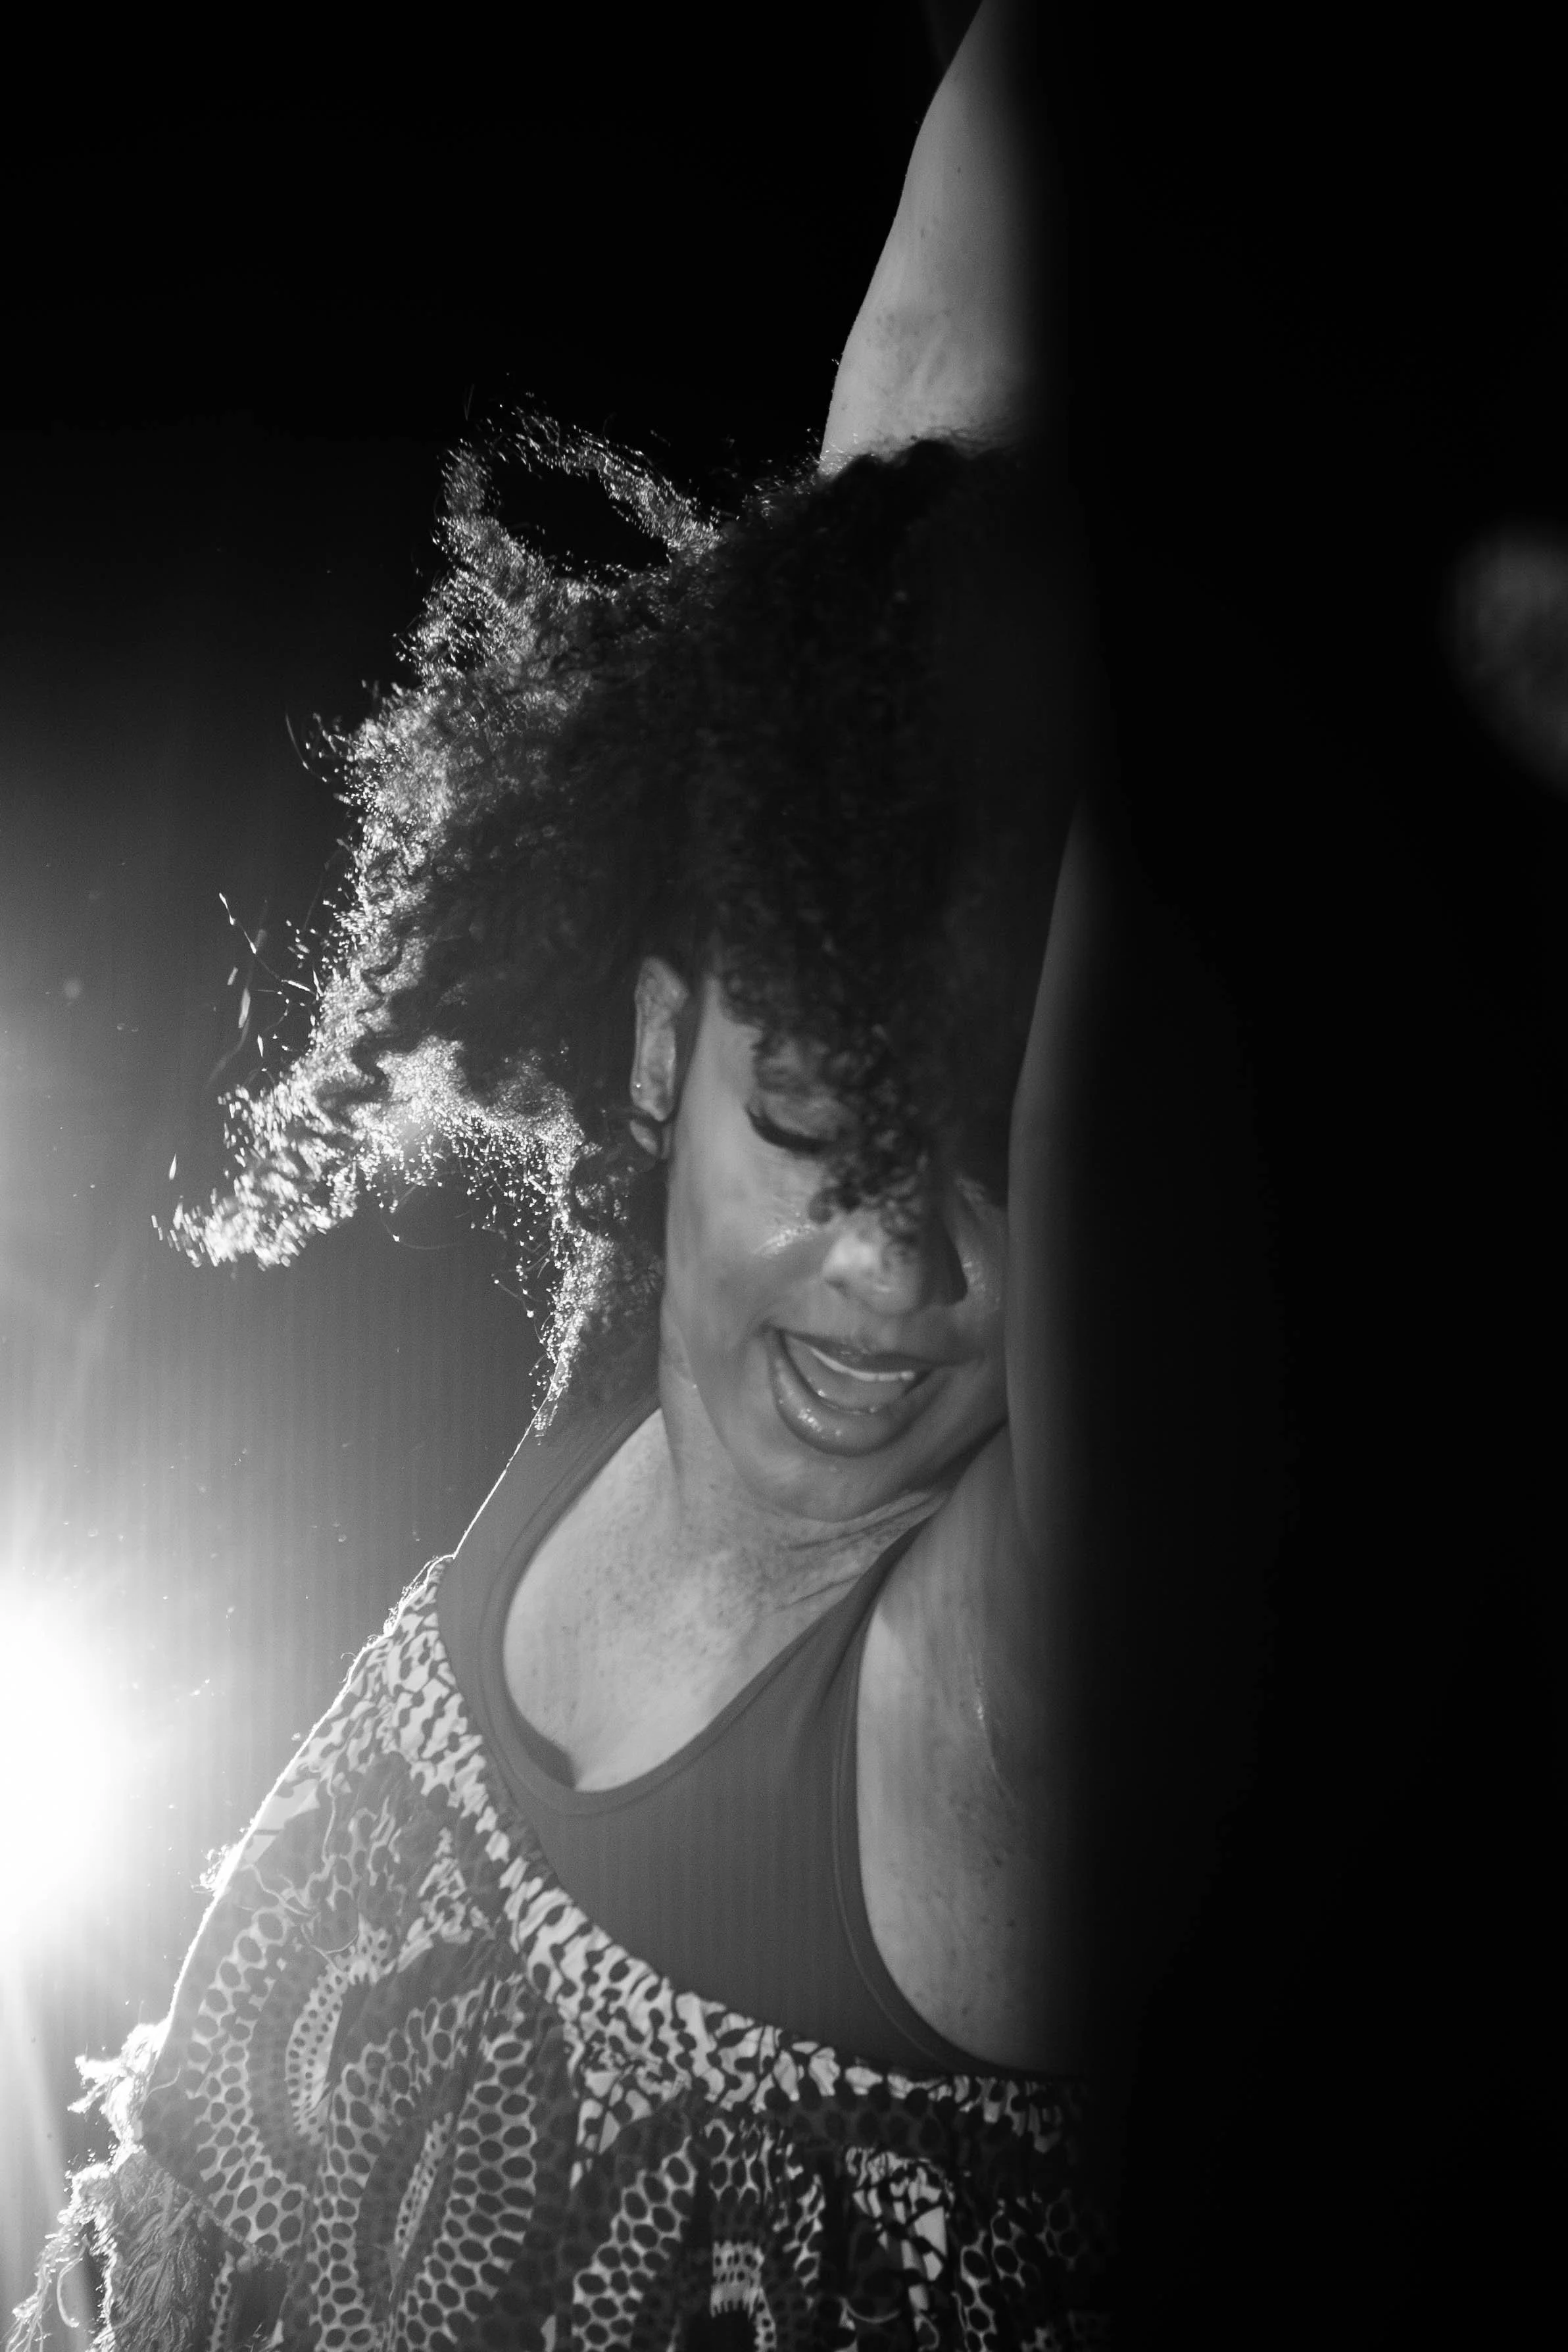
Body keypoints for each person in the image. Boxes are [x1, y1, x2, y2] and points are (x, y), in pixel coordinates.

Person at [12, 5, 1279, 2343]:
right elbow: (926, 443)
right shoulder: (639, 1360)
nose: (899, 1264)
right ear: (664, 1052)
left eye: (994, 1175)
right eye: (819, 1134)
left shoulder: (987, 1723)